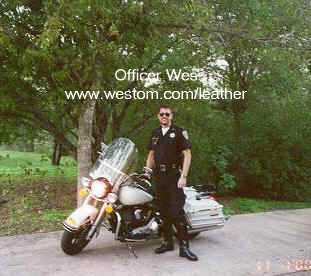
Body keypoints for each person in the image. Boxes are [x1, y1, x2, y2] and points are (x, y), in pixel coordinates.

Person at [143, 105, 198, 261]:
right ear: (158, 116)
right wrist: (147, 172)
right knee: (162, 211)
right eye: (162, 114)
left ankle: (184, 248)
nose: (164, 116)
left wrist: (184, 176)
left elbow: (187, 154)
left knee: (177, 212)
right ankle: (167, 242)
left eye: (167, 114)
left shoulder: (179, 132)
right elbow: (151, 155)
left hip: (174, 176)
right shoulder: (155, 133)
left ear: (171, 116)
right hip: (159, 177)